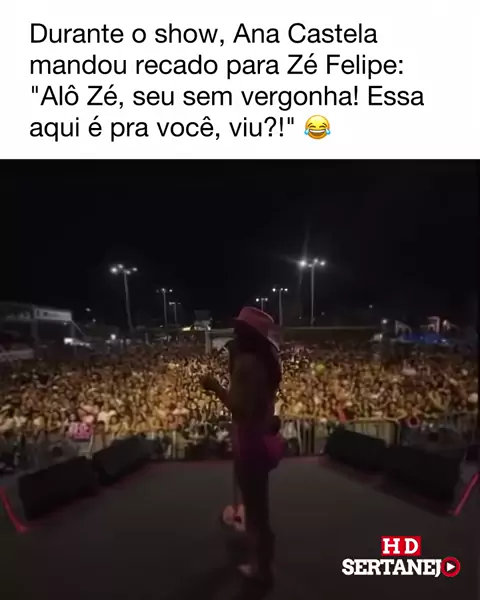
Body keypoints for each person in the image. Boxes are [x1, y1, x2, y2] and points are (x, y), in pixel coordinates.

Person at [201, 306, 282, 583]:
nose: (233, 333)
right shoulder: (266, 361)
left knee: (255, 510)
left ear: (247, 334)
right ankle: (263, 564)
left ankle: (261, 570)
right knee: (259, 506)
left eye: (238, 328)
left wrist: (214, 387)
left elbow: (240, 408)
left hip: (249, 441)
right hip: (260, 439)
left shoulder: (247, 364)